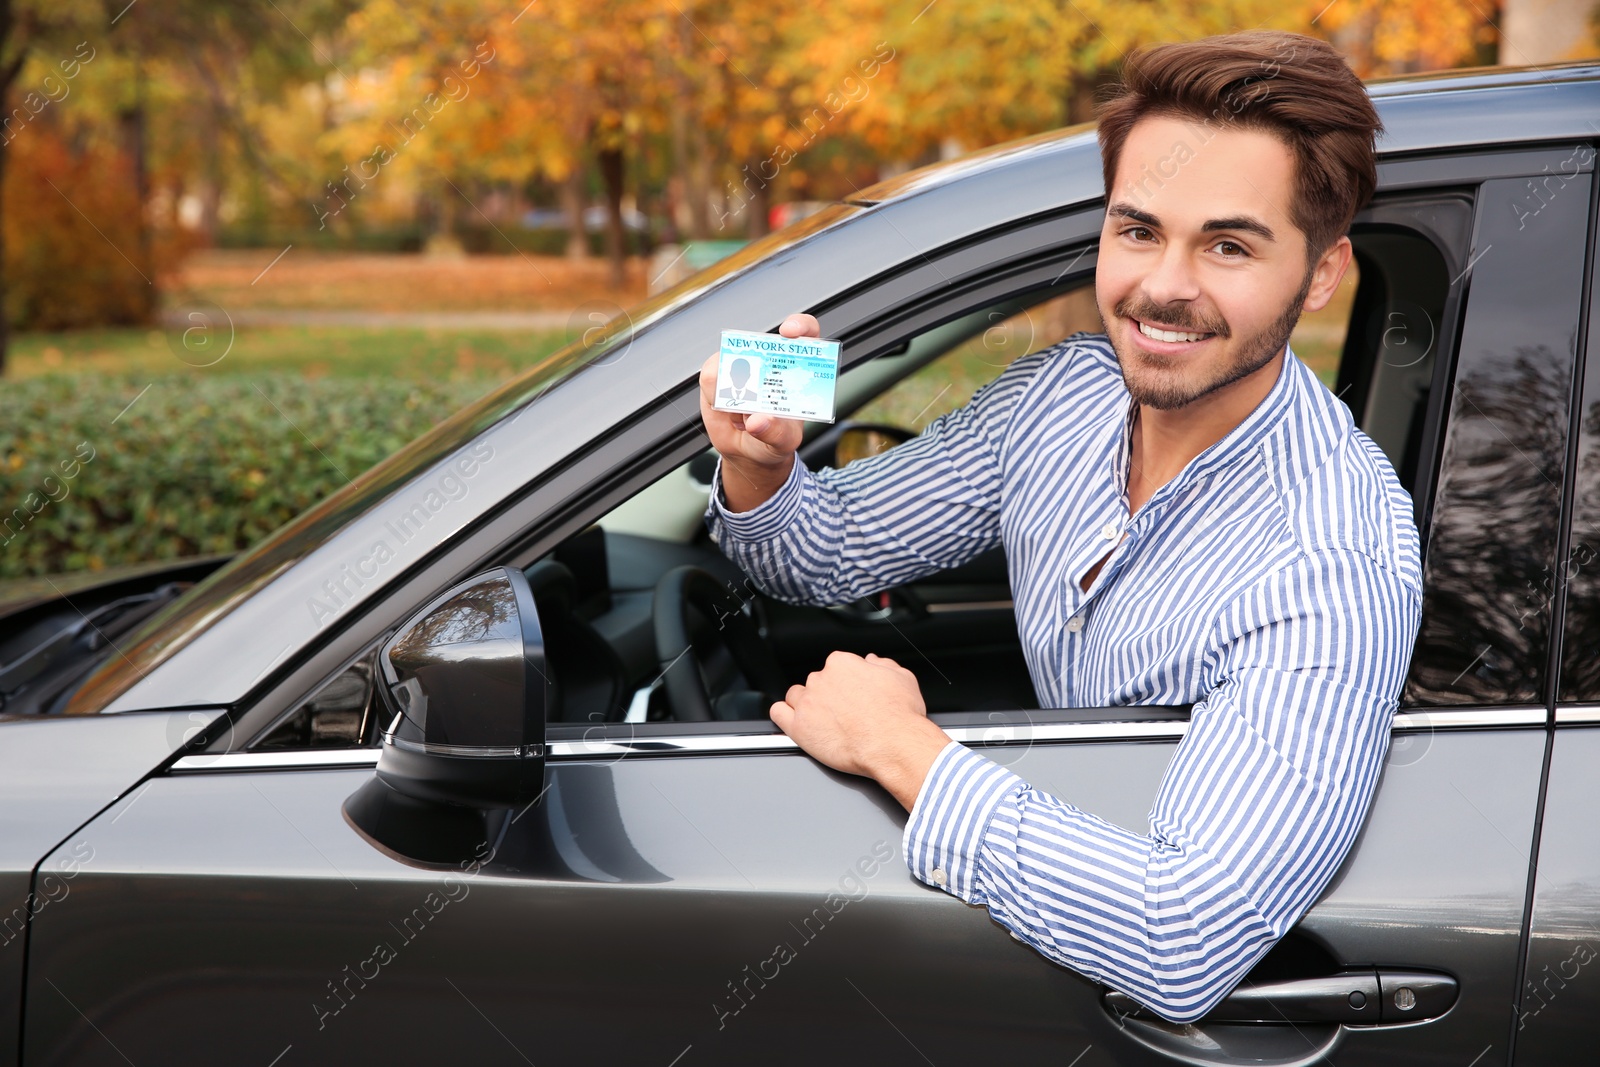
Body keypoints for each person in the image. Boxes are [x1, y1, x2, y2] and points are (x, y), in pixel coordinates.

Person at [698, 30, 1422, 1023]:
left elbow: (1182, 940)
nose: (1162, 286)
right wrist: (760, 461)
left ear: (1322, 271)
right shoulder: (1060, 397)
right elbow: (826, 551)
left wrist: (905, 749)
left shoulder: (1329, 561)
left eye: (1227, 244)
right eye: (1137, 231)